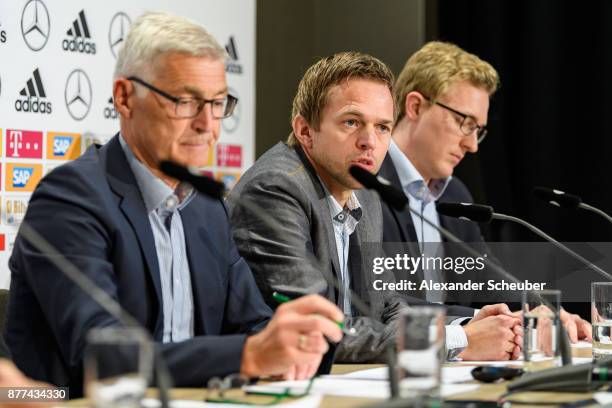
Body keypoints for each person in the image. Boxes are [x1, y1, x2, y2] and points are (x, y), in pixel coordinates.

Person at [5, 12, 343, 396]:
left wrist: (298, 343)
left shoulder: (207, 209)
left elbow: (253, 324)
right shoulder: (71, 198)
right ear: (125, 97)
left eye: (218, 104)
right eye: (185, 101)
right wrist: (248, 354)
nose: (208, 124)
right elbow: (102, 355)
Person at [227, 51, 522, 363]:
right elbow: (315, 329)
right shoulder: (276, 188)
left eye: (382, 127)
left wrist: (467, 327)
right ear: (305, 131)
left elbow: (388, 306)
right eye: (352, 122)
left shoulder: (364, 191)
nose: (369, 141)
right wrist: (458, 340)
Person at [380, 41, 591, 348]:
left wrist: (545, 312)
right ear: (415, 106)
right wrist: (468, 328)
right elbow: (381, 301)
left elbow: (489, 279)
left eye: (477, 129)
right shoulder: (365, 186)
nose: (472, 145)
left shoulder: (455, 191)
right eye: (463, 122)